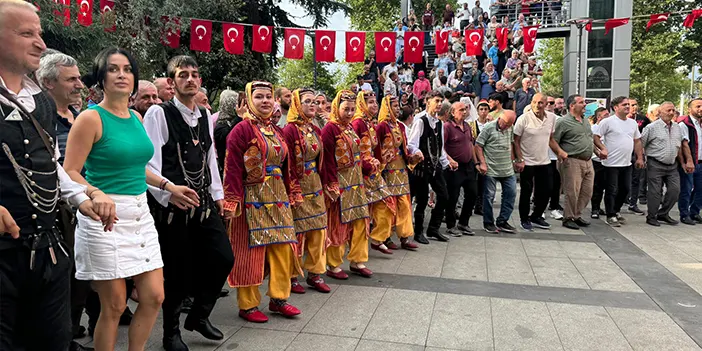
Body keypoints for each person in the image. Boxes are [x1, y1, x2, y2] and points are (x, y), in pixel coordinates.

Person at [65, 47, 190, 351]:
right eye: (113, 69)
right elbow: (70, 171)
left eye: (127, 69)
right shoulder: (90, 118)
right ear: (101, 78)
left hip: (140, 214)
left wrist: (167, 185)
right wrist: (95, 193)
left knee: (154, 297)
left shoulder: (135, 116)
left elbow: (137, 165)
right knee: (115, 305)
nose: (121, 74)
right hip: (104, 217)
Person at [0, 2, 96, 349]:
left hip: (49, 249)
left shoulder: (40, 98)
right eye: (27, 33)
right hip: (3, 257)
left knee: (55, 341)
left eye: (39, 33)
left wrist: (82, 197)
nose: (40, 43)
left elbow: (51, 162)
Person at [141, 55, 234, 350]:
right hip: (172, 206)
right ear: (171, 82)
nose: (190, 79)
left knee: (223, 257)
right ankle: (171, 334)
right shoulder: (158, 114)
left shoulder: (205, 114)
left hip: (204, 201)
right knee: (177, 271)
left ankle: (198, 315)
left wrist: (218, 195)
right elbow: (149, 163)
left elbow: (210, 159)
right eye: (183, 75)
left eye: (194, 74)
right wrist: (169, 193)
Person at [223, 81, 302, 323]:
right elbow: (233, 167)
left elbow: (287, 166)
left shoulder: (277, 131)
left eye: (269, 96)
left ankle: (279, 299)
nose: (266, 101)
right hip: (251, 199)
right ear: (248, 101)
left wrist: (293, 191)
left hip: (278, 198)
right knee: (250, 251)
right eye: (259, 97)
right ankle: (247, 305)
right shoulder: (241, 130)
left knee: (283, 247)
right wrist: (231, 200)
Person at [282, 88, 331, 294]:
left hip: (316, 185)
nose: (313, 105)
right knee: (299, 232)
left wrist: (329, 182)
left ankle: (315, 273)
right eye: (307, 101)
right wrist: (293, 189)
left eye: (315, 102)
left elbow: (324, 159)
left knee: (319, 229)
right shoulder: (289, 130)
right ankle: (294, 276)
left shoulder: (315, 129)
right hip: (299, 186)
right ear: (296, 104)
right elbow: (288, 163)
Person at [321, 90, 374, 278]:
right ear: (337, 107)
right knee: (338, 223)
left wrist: (368, 167)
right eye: (346, 109)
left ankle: (358, 261)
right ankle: (333, 265)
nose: (350, 113)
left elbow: (357, 154)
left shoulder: (350, 128)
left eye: (352, 109)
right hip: (340, 184)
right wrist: (330, 184)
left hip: (356, 183)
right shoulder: (330, 129)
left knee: (360, 221)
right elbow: (326, 159)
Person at [373, 96, 422, 250]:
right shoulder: (381, 126)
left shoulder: (399, 126)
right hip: (387, 170)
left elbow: (405, 147)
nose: (397, 109)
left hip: (401, 169)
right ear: (387, 107)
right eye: (394, 106)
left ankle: (405, 236)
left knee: (404, 204)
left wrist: (412, 158)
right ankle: (385, 237)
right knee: (389, 204)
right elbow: (375, 149)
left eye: (398, 106)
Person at [408, 92, 457, 244]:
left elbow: (440, 147)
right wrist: (417, 152)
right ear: (427, 102)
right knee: (422, 201)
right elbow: (411, 144)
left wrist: (446, 162)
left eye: (441, 101)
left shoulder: (439, 123)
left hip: (435, 167)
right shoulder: (420, 121)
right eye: (437, 100)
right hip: (422, 168)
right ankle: (418, 233)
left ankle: (433, 229)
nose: (439, 103)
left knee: (444, 196)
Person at [593, 97, 644, 227]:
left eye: (628, 104)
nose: (628, 107)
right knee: (611, 190)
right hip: (611, 163)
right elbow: (596, 137)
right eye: (624, 105)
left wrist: (639, 157)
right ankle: (610, 215)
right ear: (616, 107)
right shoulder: (608, 122)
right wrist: (603, 149)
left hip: (626, 163)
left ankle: (616, 210)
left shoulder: (632, 123)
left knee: (625, 189)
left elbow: (637, 140)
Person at [641, 102, 693, 226]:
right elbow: (641, 144)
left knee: (675, 190)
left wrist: (683, 162)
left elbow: (679, 146)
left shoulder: (677, 127)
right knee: (655, 192)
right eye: (668, 110)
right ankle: (651, 216)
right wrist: (641, 159)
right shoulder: (651, 127)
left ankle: (663, 213)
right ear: (660, 112)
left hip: (672, 165)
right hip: (655, 163)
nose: (671, 113)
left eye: (673, 111)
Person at [549, 95, 594, 230]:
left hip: (588, 161)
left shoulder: (585, 121)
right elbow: (553, 140)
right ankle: (568, 217)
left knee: (586, 192)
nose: (585, 105)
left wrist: (599, 150)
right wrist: (560, 153)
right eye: (581, 103)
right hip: (572, 161)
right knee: (572, 191)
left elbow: (589, 139)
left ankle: (576, 215)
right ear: (572, 106)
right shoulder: (563, 122)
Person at [513, 93, 556, 231]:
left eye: (540, 103)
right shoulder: (524, 118)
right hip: (527, 162)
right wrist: (519, 159)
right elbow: (515, 141)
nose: (537, 105)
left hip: (544, 160)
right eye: (534, 102)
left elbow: (550, 138)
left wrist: (560, 153)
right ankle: (524, 219)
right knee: (526, 191)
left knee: (547, 189)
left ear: (546, 104)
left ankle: (536, 216)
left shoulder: (551, 118)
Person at [475, 109, 518, 233]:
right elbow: (478, 145)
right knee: (489, 196)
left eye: (509, 125)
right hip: (491, 168)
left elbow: (511, 144)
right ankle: (488, 223)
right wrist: (482, 163)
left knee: (511, 194)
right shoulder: (489, 128)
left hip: (507, 168)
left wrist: (514, 160)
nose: (506, 127)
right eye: (505, 123)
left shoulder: (510, 128)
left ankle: (503, 221)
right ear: (500, 118)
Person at [443, 102, 478, 236]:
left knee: (473, 193)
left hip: (468, 165)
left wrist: (476, 163)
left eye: (465, 109)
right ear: (453, 112)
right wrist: (450, 160)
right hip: (454, 167)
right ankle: (451, 225)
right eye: (461, 110)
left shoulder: (467, 126)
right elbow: (442, 147)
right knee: (453, 196)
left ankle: (464, 223)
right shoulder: (447, 127)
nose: (464, 112)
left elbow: (471, 145)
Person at [678, 98, 702, 225]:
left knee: (700, 190)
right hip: (691, 162)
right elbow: (684, 144)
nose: (700, 109)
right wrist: (688, 161)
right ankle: (684, 214)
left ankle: (695, 212)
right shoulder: (684, 124)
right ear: (689, 109)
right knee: (686, 189)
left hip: (701, 162)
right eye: (697, 106)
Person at [213, 90, 244, 175]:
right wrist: (239, 118)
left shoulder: (233, 121)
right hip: (229, 172)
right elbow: (228, 137)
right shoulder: (221, 125)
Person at [628, 98, 650, 212]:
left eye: (635, 105)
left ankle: (633, 204)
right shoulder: (619, 120)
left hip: (637, 152)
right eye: (631, 105)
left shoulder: (643, 119)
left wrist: (642, 155)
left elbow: (644, 137)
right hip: (623, 153)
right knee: (622, 179)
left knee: (636, 178)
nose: (633, 107)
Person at [590, 107, 610, 219]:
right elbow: (592, 143)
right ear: (599, 117)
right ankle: (595, 208)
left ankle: (609, 208)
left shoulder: (610, 127)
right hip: (597, 161)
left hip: (609, 161)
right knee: (597, 186)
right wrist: (598, 153)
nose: (608, 117)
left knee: (608, 186)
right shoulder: (594, 128)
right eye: (605, 115)